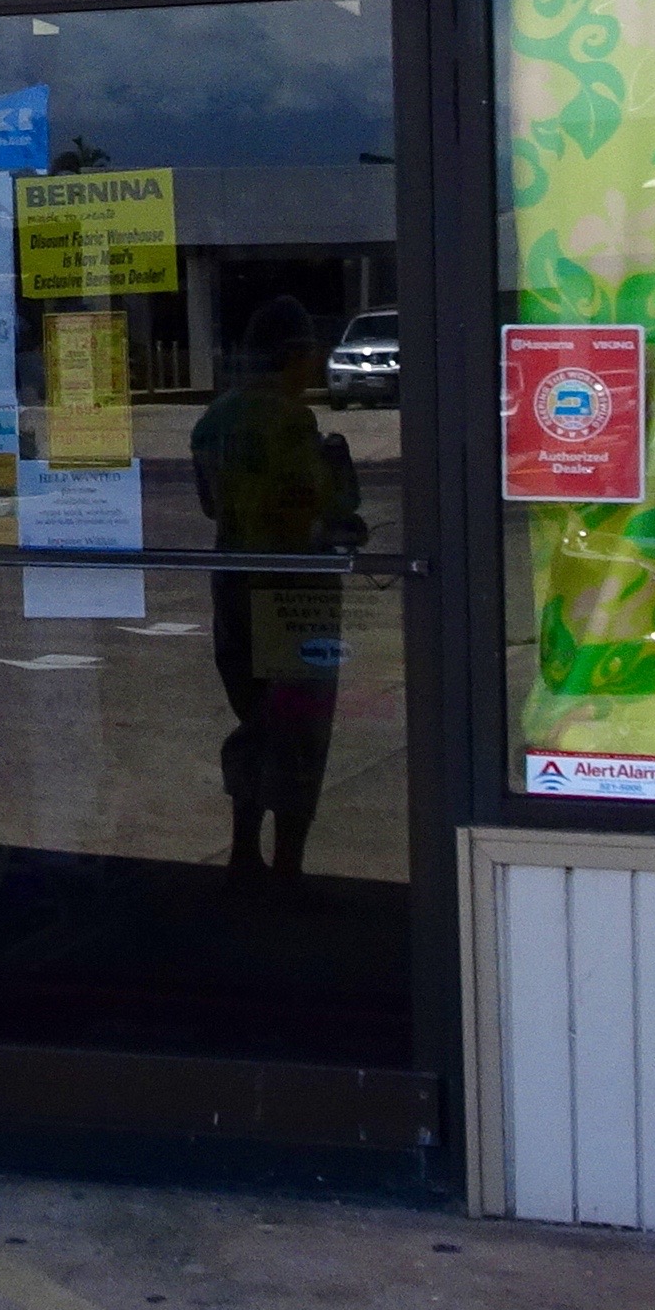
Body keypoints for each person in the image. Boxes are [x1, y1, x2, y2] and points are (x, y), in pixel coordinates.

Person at [186, 298, 367, 878]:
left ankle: (243, 851)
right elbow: (320, 507)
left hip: (233, 584)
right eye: (312, 353)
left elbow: (211, 505)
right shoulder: (291, 421)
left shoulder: (214, 420)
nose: (317, 364)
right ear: (293, 355)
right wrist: (337, 471)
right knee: (298, 727)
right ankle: (287, 864)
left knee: (255, 719)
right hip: (292, 590)